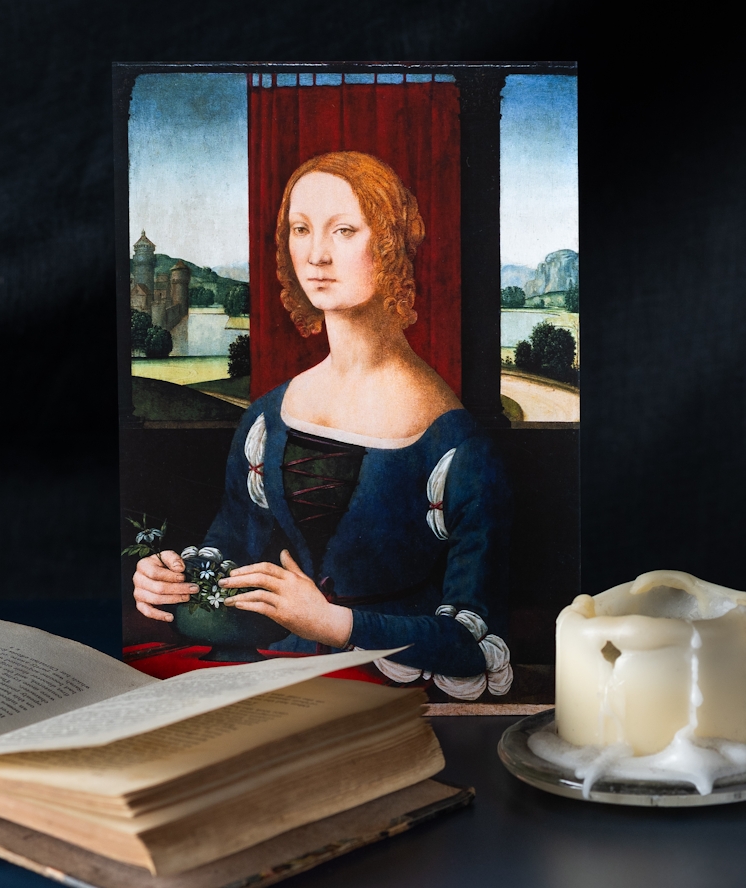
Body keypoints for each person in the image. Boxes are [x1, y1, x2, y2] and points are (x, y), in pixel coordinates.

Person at [132, 152, 512, 699]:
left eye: (344, 230)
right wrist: (178, 578)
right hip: (281, 682)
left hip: (394, 704)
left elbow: (475, 642)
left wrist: (334, 624)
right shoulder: (268, 415)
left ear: (388, 244)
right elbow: (235, 547)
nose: (316, 255)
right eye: (301, 230)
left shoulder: (455, 446)